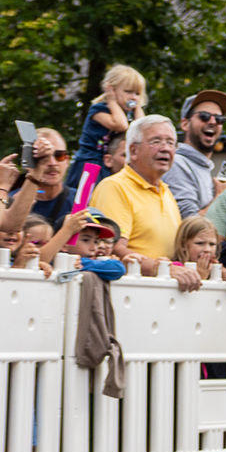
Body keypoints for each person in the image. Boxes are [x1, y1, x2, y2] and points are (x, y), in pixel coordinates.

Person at [88, 115, 212, 289]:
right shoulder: (115, 187)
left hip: (162, 293)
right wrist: (163, 269)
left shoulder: (166, 191)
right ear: (134, 150)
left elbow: (180, 253)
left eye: (170, 143)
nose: (165, 149)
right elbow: (112, 247)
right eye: (156, 141)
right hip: (131, 292)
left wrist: (218, 271)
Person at [66, 63, 146, 195]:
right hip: (90, 162)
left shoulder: (126, 114)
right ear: (111, 90)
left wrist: (138, 107)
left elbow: (141, 127)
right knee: (84, 198)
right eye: (128, 92)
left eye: (137, 93)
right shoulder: (99, 109)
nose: (133, 97)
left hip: (107, 164)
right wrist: (112, 101)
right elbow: (121, 125)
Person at [163, 90, 226, 220]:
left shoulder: (203, 167)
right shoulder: (177, 164)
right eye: (204, 116)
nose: (212, 122)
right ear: (185, 124)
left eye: (219, 119)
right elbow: (189, 223)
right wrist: (222, 195)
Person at [1, 128, 77, 238]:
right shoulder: (9, 200)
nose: (51, 163)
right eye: (43, 157)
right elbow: (10, 227)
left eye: (59, 156)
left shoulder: (81, 200)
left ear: (67, 160)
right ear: (28, 162)